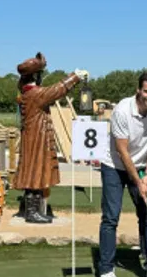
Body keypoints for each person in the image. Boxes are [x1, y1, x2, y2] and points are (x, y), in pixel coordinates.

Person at [97, 71, 147, 277]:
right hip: (115, 166)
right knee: (111, 217)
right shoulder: (121, 111)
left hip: (141, 167)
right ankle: (106, 271)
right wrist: (137, 182)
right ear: (138, 90)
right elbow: (121, 150)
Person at [12, 52, 89, 223]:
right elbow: (57, 90)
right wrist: (75, 77)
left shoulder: (28, 93)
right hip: (36, 140)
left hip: (34, 138)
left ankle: (29, 209)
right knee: (35, 174)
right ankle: (32, 212)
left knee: (35, 173)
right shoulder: (35, 94)